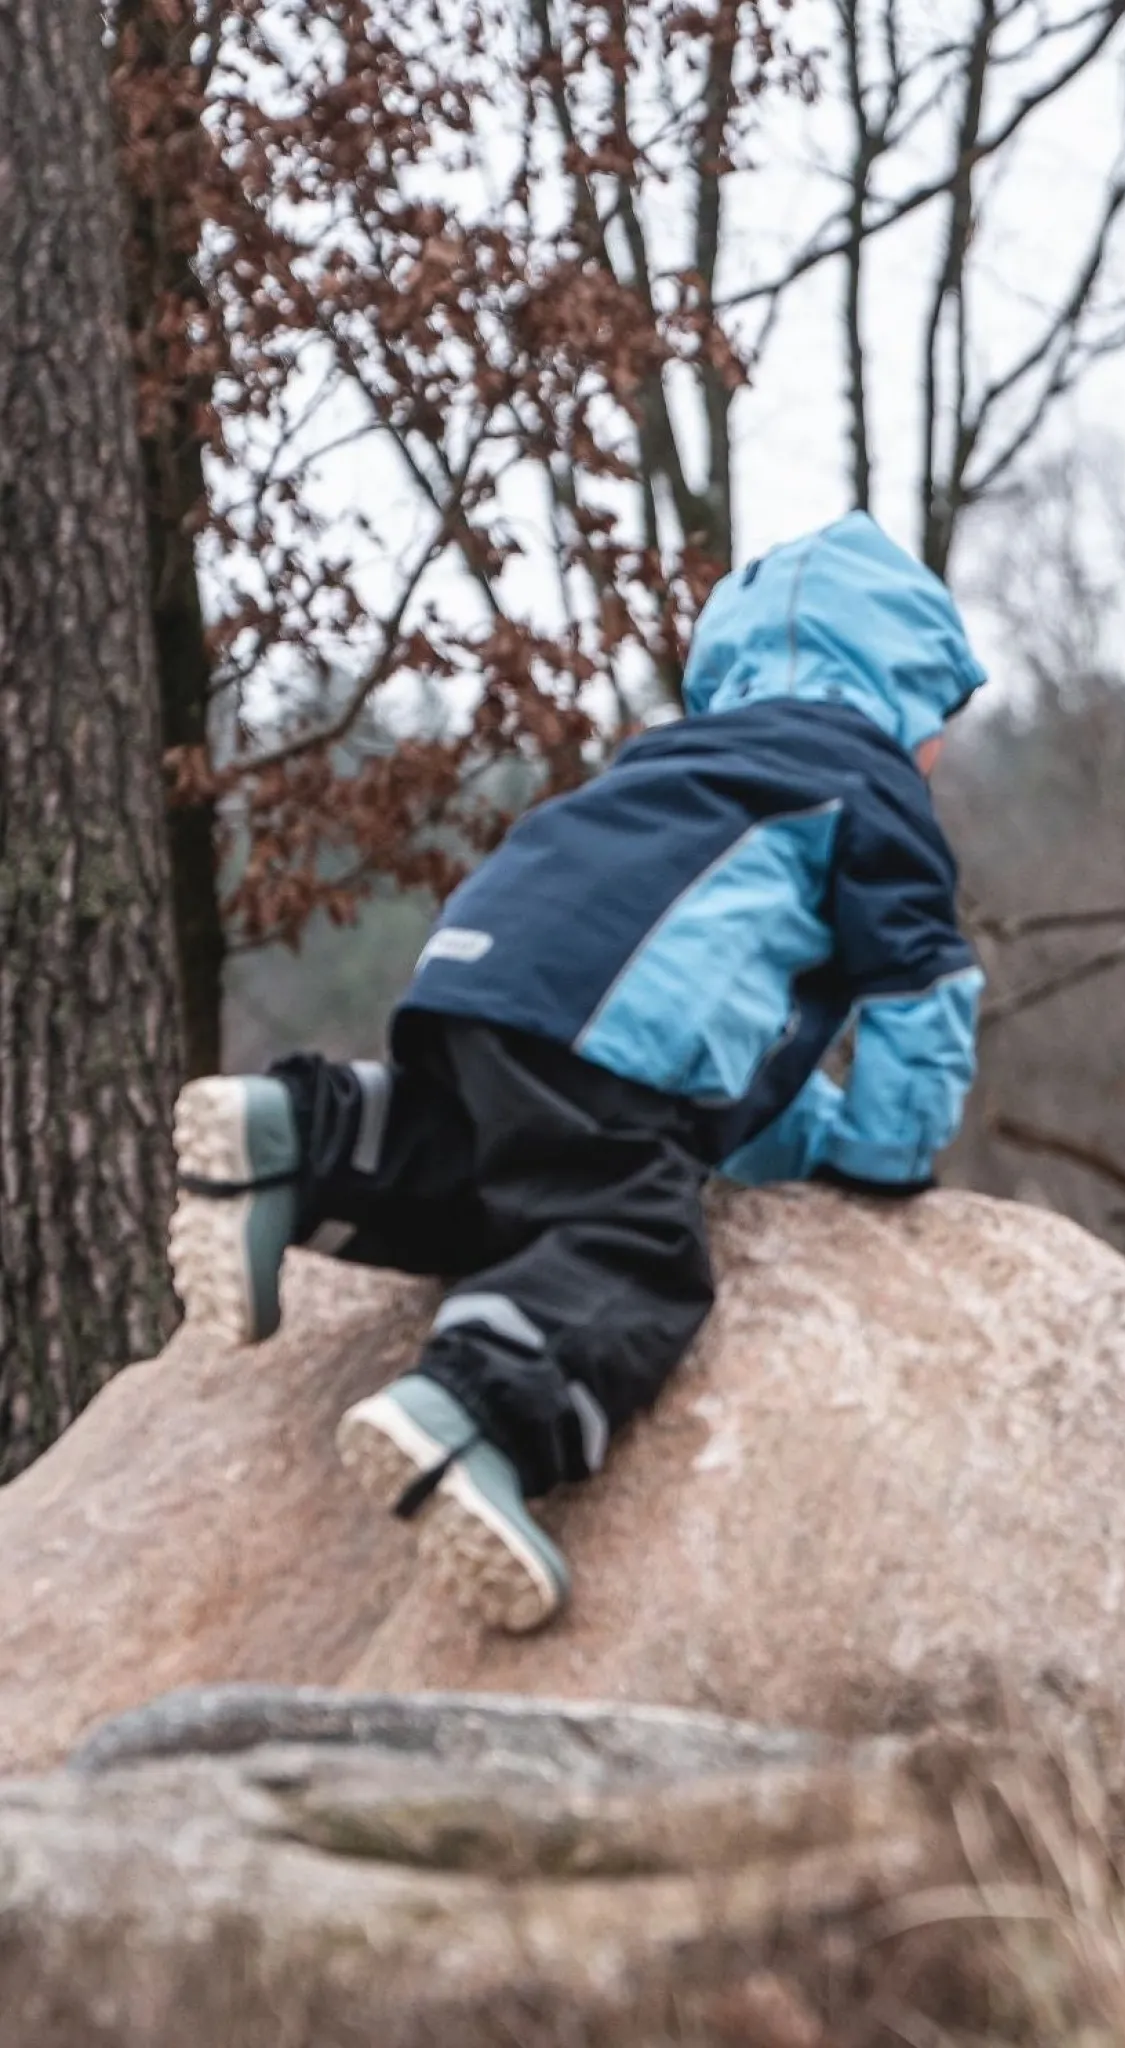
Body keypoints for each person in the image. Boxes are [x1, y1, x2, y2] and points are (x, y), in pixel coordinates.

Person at [167, 512, 986, 1634]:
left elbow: (745, 1053)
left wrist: (807, 1144)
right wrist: (883, 1162)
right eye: (939, 721)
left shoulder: (679, 759)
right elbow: (921, 1000)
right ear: (910, 698)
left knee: (484, 1180)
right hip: (615, 1024)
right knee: (632, 1245)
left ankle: (296, 1139)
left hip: (488, 970)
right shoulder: (870, 786)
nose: (934, 752)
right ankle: (471, 1412)